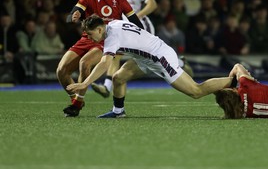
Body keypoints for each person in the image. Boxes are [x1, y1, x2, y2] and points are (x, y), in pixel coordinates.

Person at [66, 14, 234, 118]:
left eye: (90, 34)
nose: (89, 37)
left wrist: (84, 83)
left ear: (100, 29)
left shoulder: (111, 37)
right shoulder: (112, 23)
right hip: (145, 58)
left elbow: (104, 64)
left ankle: (233, 81)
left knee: (196, 91)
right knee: (118, 77)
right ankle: (118, 112)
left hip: (160, 58)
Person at [56, 0, 143, 117]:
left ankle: (76, 105)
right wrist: (74, 16)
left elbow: (136, 21)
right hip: (86, 39)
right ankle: (77, 99)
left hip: (105, 41)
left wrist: (140, 38)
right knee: (61, 71)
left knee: (85, 63)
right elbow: (72, 14)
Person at [75, 0, 158, 98]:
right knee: (114, 54)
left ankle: (178, 63)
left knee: (148, 57)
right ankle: (109, 88)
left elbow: (152, 4)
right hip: (120, 27)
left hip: (137, 26)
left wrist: (137, 16)